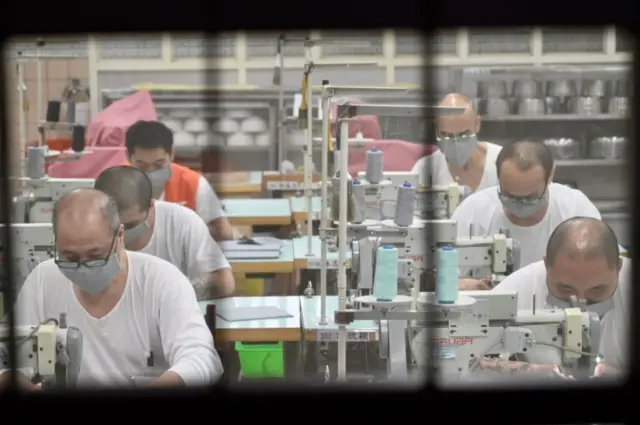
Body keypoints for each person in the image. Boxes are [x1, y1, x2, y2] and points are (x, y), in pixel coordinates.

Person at [0, 189, 222, 390]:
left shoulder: (161, 281)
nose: (82, 267)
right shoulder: (44, 279)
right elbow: (6, 353)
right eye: (70, 257)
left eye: (95, 256)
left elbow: (200, 357)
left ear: (120, 236)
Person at [484, 217, 628, 378]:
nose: (580, 303)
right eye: (566, 289)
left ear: (619, 267)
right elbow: (467, 358)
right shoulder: (515, 290)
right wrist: (531, 372)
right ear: (546, 266)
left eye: (596, 290)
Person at [452, 140, 601, 290]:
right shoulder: (474, 211)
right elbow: (441, 272)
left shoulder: (575, 209)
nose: (520, 204)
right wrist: (464, 285)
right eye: (509, 196)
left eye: (530, 198)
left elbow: (606, 265)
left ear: (550, 176)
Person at [94, 165, 235, 300]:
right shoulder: (86, 229)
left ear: (150, 205)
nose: (122, 233)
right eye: (114, 226)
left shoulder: (182, 222)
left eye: (131, 225)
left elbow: (224, 282)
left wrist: (172, 293)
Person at [125, 120, 234, 242]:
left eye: (159, 164)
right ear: (128, 157)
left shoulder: (194, 183)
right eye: (142, 166)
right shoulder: (114, 183)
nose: (151, 173)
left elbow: (224, 233)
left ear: (171, 154)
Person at [411, 93, 502, 193]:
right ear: (437, 130)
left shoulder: (502, 162)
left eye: (463, 135)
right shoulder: (426, 169)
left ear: (477, 124)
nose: (456, 143)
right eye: (447, 135)